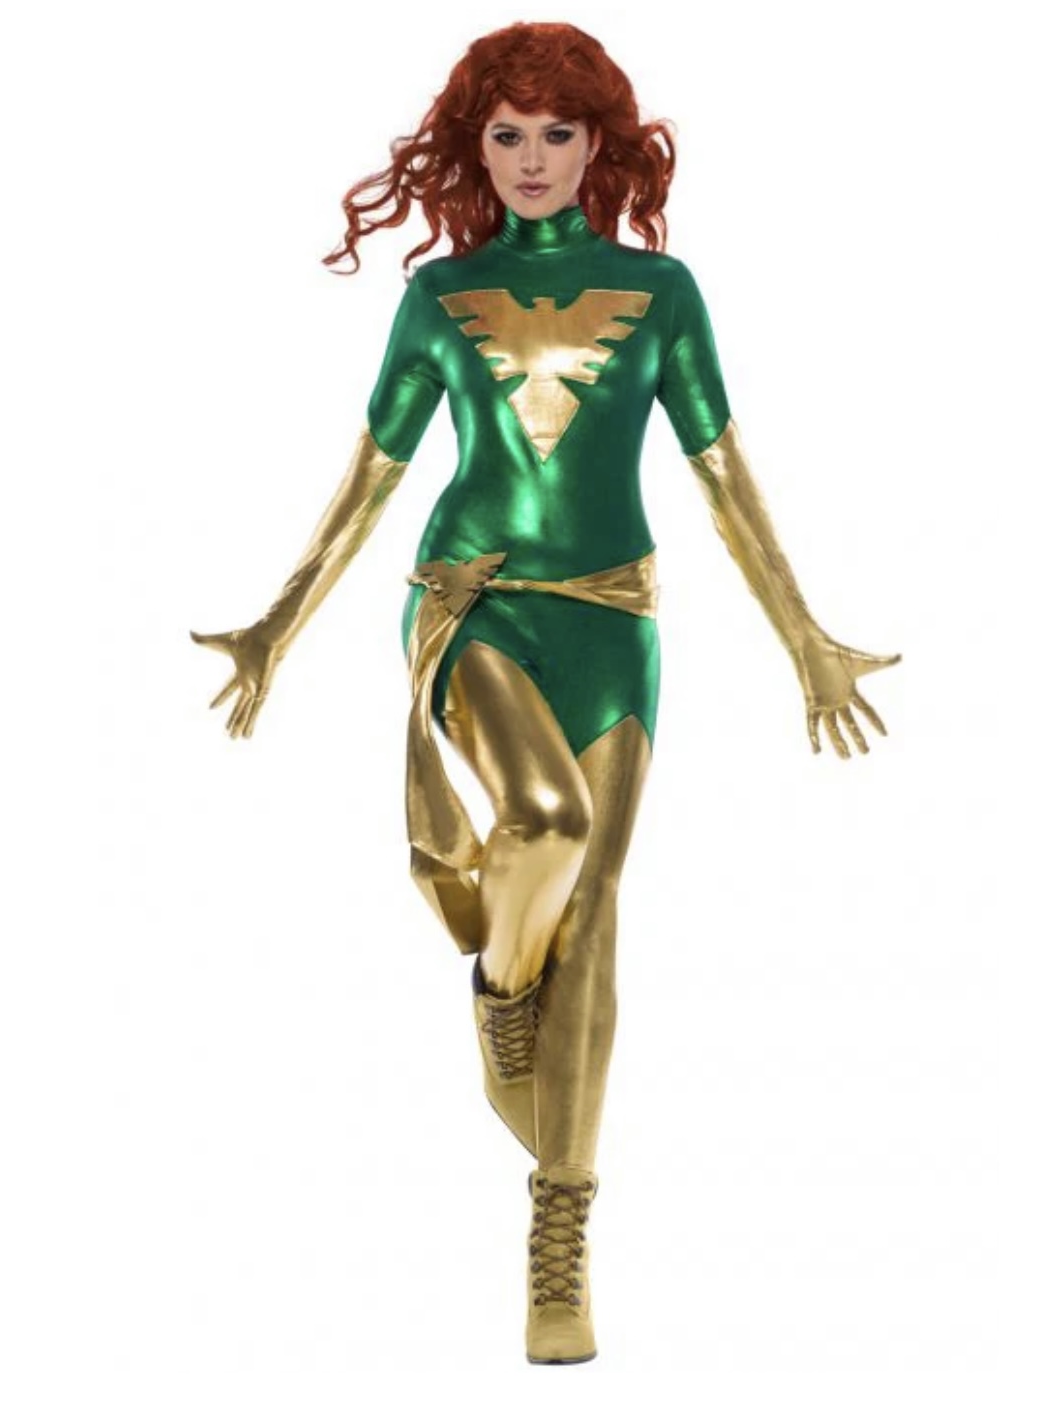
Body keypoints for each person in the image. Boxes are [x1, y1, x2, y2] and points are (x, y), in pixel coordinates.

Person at [191, 21, 899, 1366]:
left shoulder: (664, 290)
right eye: (506, 133)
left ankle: (558, 1232)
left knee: (599, 914)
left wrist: (803, 634)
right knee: (547, 826)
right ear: (476, 146)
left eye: (556, 132)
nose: (529, 158)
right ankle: (501, 982)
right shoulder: (439, 296)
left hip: (616, 622)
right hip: (474, 605)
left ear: (598, 144)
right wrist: (279, 621)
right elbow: (371, 478)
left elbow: (725, 478)